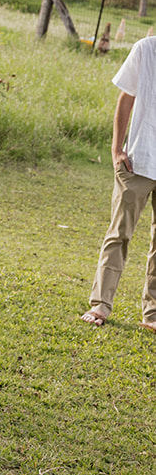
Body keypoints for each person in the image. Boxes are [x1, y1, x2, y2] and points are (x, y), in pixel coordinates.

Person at [81, 33, 156, 330]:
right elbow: (126, 98)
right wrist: (116, 150)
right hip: (138, 161)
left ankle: (152, 314)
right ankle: (100, 305)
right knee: (119, 234)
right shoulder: (146, 49)